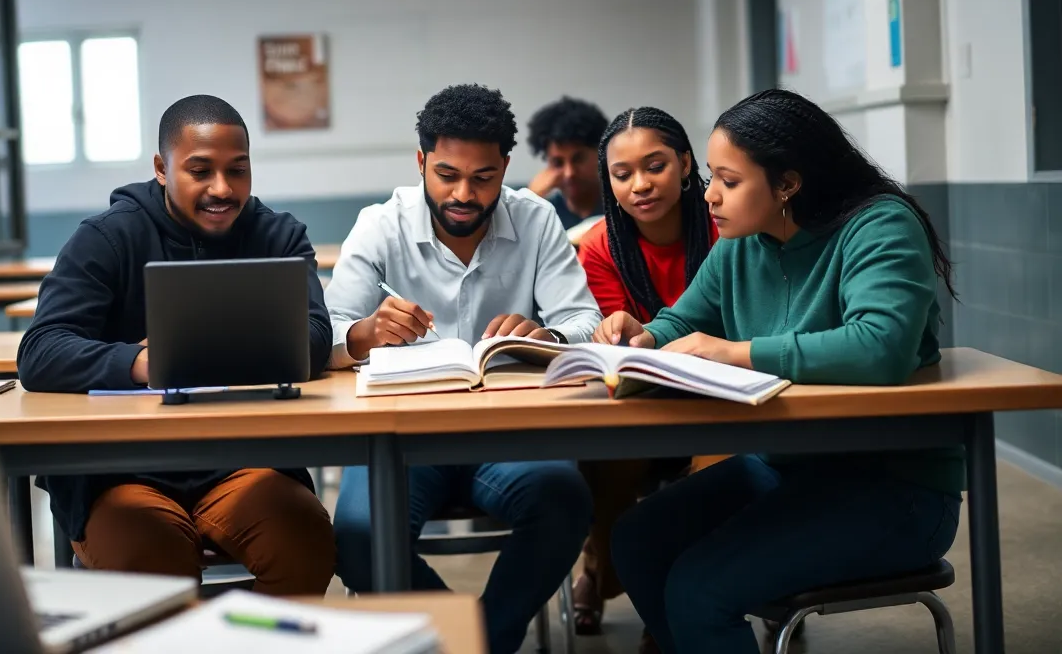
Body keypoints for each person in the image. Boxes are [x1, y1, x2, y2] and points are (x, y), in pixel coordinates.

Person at [600, 89, 962, 654]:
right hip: (789, 469)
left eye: (729, 180)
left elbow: (882, 346)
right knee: (636, 539)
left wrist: (736, 351)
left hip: (897, 489)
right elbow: (683, 321)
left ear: (788, 184)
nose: (711, 197)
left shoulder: (880, 226)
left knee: (700, 589)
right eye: (711, 179)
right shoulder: (740, 243)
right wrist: (642, 338)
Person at [17, 94, 336, 593]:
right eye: (200, 170)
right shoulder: (107, 238)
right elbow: (40, 352)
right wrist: (146, 362)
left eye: (238, 170)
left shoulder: (278, 236)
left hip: (244, 462)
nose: (222, 189)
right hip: (119, 471)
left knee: (306, 542)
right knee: (156, 566)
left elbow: (316, 340)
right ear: (162, 169)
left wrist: (203, 350)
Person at [325, 84, 599, 654]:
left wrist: (543, 336)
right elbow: (321, 333)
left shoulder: (537, 220)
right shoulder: (380, 225)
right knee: (357, 533)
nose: (463, 194)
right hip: (399, 438)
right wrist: (363, 334)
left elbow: (583, 322)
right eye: (447, 174)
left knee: (565, 500)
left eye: (483, 178)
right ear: (421, 161)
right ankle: (462, 638)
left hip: (508, 436)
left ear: (505, 167)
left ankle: (480, 642)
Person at [571, 108, 716, 644]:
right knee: (607, 464)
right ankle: (601, 574)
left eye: (654, 166)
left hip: (721, 402)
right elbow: (615, 343)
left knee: (720, 472)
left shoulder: (726, 226)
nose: (640, 185)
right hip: (637, 404)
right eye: (622, 173)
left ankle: (686, 604)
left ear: (683, 164)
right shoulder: (600, 246)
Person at [526, 96, 608, 229]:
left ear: (600, 153)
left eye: (578, 159)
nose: (570, 173)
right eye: (558, 163)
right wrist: (529, 199)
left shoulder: (621, 206)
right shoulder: (542, 214)